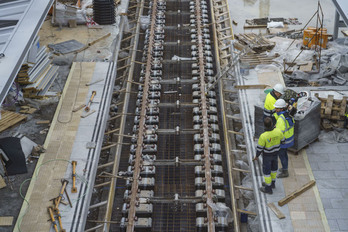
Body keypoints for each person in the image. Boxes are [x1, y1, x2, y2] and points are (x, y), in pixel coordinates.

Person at [253, 117, 285, 194]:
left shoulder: (263, 136)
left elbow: (260, 148)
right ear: (272, 124)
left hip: (267, 156)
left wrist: (256, 156)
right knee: (274, 169)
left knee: (267, 172)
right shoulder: (278, 132)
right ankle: (272, 184)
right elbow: (283, 141)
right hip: (275, 154)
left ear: (264, 125)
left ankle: (268, 188)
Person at [273, 99, 295, 178]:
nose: (275, 109)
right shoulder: (287, 115)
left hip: (283, 141)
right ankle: (284, 168)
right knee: (284, 155)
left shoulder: (281, 120)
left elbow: (279, 132)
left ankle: (285, 171)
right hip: (288, 139)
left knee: (282, 155)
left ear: (281, 109)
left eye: (277, 108)